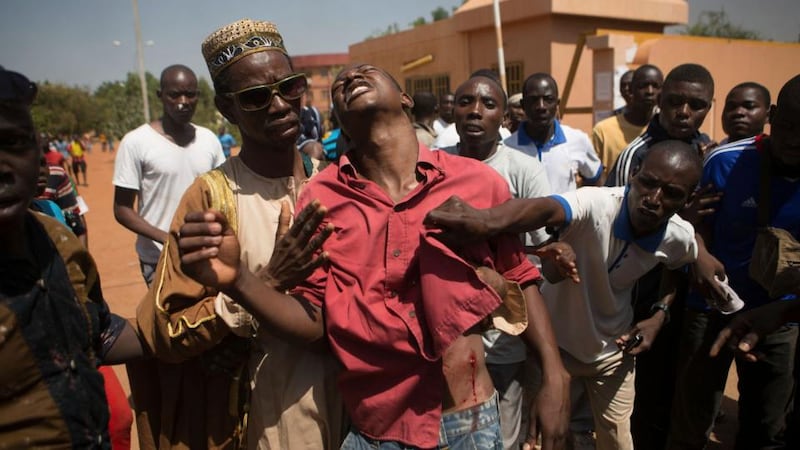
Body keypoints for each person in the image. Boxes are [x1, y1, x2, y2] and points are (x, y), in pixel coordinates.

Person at [178, 61, 571, 450]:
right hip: (373, 432)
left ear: (404, 99)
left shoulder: (478, 181)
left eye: (367, 71)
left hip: (467, 423)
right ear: (339, 119)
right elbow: (317, 322)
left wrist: (555, 376)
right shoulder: (321, 199)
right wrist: (239, 281)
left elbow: (519, 274)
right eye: (339, 84)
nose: (349, 77)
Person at [131, 19, 344, 450]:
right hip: (265, 418)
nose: (281, 104)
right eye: (256, 97)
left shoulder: (339, 183)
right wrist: (263, 283)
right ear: (227, 110)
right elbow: (165, 332)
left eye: (290, 86)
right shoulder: (211, 197)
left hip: (354, 410)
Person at [426, 139, 705, 450]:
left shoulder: (677, 236)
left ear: (688, 199)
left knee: (618, 441)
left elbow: (680, 265)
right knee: (545, 439)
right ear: (633, 174)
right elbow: (545, 208)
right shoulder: (597, 204)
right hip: (555, 349)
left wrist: (659, 315)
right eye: (648, 183)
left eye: (672, 194)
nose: (654, 199)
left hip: (612, 355)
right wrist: (487, 220)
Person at [0, 66, 143, 449]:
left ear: (39, 154)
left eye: (12, 142)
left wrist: (218, 314)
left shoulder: (57, 239)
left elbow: (98, 331)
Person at [440, 70, 578, 449]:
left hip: (503, 340)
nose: (474, 111)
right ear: (453, 111)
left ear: (503, 117)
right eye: (465, 101)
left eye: (487, 103)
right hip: (446, 337)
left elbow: (533, 259)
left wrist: (556, 257)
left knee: (501, 435)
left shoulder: (523, 171)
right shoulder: (435, 165)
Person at [667, 74, 800, 450]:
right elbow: (692, 225)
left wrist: (783, 312)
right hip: (711, 310)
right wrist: (701, 254)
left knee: (766, 426)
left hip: (780, 318)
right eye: (788, 126)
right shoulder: (725, 162)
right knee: (691, 422)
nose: (793, 139)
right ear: (773, 116)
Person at [602, 63, 717, 449]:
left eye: (696, 105)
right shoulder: (635, 156)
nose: (684, 112)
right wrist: (683, 224)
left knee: (684, 395)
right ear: (659, 101)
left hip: (691, 299)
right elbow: (615, 233)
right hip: (641, 297)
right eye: (675, 102)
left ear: (708, 107)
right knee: (640, 400)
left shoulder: (710, 154)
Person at [113, 64, 225, 286]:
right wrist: (167, 238)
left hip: (207, 255)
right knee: (167, 319)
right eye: (174, 95)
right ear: (160, 96)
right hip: (159, 260)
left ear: (198, 97)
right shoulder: (136, 142)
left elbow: (222, 193)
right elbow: (122, 209)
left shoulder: (209, 139)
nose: (183, 101)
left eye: (190, 94)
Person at [504, 72, 602, 194]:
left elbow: (594, 178)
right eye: (534, 100)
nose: (541, 106)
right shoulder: (507, 148)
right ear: (523, 105)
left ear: (557, 104)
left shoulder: (577, 140)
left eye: (548, 99)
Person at [593, 65, 662, 181]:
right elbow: (594, 176)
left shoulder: (667, 130)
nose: (650, 91)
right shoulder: (603, 130)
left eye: (655, 86)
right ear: (631, 90)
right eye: (643, 86)